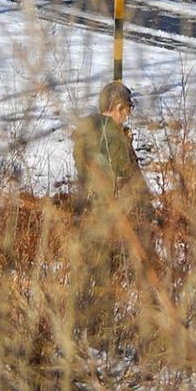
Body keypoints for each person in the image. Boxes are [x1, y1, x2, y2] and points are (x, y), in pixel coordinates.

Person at [71, 81, 154, 341]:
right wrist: (149, 211)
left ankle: (85, 331)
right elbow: (130, 178)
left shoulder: (84, 135)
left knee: (91, 275)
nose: (128, 115)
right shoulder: (117, 138)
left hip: (86, 214)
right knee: (112, 277)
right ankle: (106, 338)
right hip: (113, 218)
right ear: (118, 108)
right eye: (127, 109)